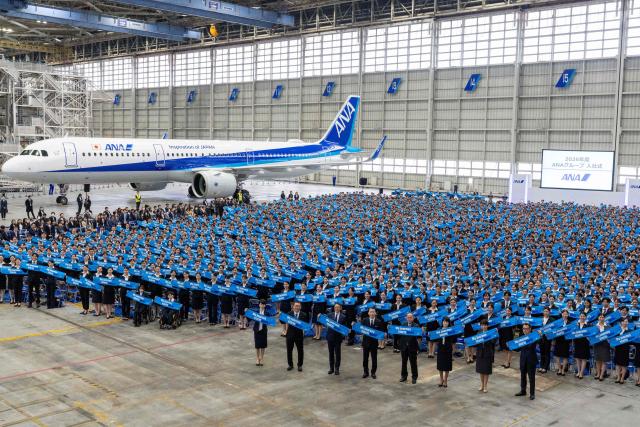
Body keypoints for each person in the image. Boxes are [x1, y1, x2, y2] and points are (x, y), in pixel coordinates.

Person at [515, 323, 538, 400]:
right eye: (523, 328)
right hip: (523, 359)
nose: (525, 330)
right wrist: (512, 346)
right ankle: (523, 390)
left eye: (526, 328)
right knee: (522, 376)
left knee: (531, 377)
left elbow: (530, 346)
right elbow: (517, 349)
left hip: (531, 360)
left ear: (530, 329)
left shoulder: (533, 337)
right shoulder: (521, 337)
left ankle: (532, 394)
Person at [398, 313, 419, 384]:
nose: (409, 318)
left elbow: (418, 336)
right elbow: (398, 333)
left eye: (411, 317)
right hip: (403, 347)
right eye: (408, 317)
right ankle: (403, 376)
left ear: (413, 318)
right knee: (404, 362)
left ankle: (414, 377)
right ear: (406, 318)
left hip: (412, 347)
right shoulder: (403, 324)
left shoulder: (416, 326)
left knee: (413, 363)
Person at [475, 319, 495, 393]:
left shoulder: (491, 333)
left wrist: (486, 338)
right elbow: (475, 343)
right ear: (480, 326)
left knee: (486, 371)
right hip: (480, 353)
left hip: (487, 353)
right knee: (481, 370)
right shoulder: (478, 332)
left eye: (485, 325)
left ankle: (485, 386)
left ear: (488, 326)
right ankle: (482, 385)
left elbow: (493, 342)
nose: (483, 326)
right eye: (482, 325)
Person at [286, 302, 307, 372]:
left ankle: (300, 365)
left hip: (299, 335)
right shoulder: (289, 314)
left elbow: (305, 326)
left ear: (300, 307)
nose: (297, 307)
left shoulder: (304, 315)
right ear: (293, 307)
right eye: (295, 306)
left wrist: (304, 333)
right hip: (290, 335)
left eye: (298, 306)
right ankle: (290, 365)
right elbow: (285, 322)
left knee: (300, 351)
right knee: (289, 350)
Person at [362, 307, 383, 379]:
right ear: (368, 313)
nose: (372, 313)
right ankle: (365, 372)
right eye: (370, 312)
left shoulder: (379, 321)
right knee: (365, 358)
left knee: (374, 358)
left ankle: (373, 372)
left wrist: (384, 334)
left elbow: (381, 332)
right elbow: (361, 329)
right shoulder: (364, 320)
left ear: (375, 313)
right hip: (365, 342)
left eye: (373, 312)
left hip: (374, 343)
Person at [326, 303, 347, 375]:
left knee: (337, 354)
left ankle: (337, 368)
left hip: (338, 338)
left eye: (338, 307)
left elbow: (344, 328)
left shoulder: (343, 317)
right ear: (334, 308)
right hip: (330, 337)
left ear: (340, 308)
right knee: (331, 353)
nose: (337, 308)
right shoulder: (329, 315)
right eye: (335, 307)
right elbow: (325, 323)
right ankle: (331, 368)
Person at [436, 317, 456, 388]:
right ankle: (441, 380)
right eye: (444, 321)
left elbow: (454, 340)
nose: (445, 323)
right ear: (442, 322)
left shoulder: (451, 330)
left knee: (447, 366)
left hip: (448, 350)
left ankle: (446, 381)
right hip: (440, 349)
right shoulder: (438, 329)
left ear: (448, 323)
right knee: (440, 366)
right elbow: (435, 338)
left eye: (446, 322)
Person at [573, 312, 590, 379]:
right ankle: (578, 371)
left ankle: (581, 373)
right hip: (577, 343)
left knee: (583, 358)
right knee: (577, 358)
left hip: (585, 343)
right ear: (579, 317)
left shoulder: (588, 325)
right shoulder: (576, 325)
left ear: (585, 317)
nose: (582, 317)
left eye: (583, 316)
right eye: (581, 316)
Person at [554, 309, 571, 376]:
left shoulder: (569, 323)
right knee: (557, 356)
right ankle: (559, 369)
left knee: (565, 356)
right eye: (563, 313)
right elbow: (554, 331)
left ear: (568, 315)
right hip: (558, 340)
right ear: (562, 314)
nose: (565, 315)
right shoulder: (558, 322)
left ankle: (563, 370)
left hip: (566, 341)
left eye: (566, 314)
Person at [593, 314, 610, 381]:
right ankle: (598, 373)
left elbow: (610, 335)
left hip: (605, 345)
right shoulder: (594, 326)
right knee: (597, 360)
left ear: (604, 318)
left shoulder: (608, 326)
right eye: (600, 317)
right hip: (597, 345)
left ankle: (601, 375)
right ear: (598, 318)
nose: (601, 318)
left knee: (604, 361)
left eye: (603, 317)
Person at [614, 317, 630, 384]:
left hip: (625, 349)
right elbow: (614, 339)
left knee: (624, 365)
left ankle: (622, 378)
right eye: (624, 321)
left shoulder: (630, 331)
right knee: (618, 364)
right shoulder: (617, 330)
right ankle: (618, 377)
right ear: (621, 323)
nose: (625, 322)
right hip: (618, 349)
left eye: (626, 321)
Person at [253, 299, 268, 366]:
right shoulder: (256, 312)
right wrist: (246, 311)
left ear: (265, 305)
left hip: (264, 330)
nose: (262, 305)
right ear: (259, 305)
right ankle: (257, 358)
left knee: (263, 345)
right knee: (257, 345)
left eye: (263, 304)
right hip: (256, 330)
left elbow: (271, 320)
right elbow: (250, 316)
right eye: (261, 304)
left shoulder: (267, 313)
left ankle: (261, 358)